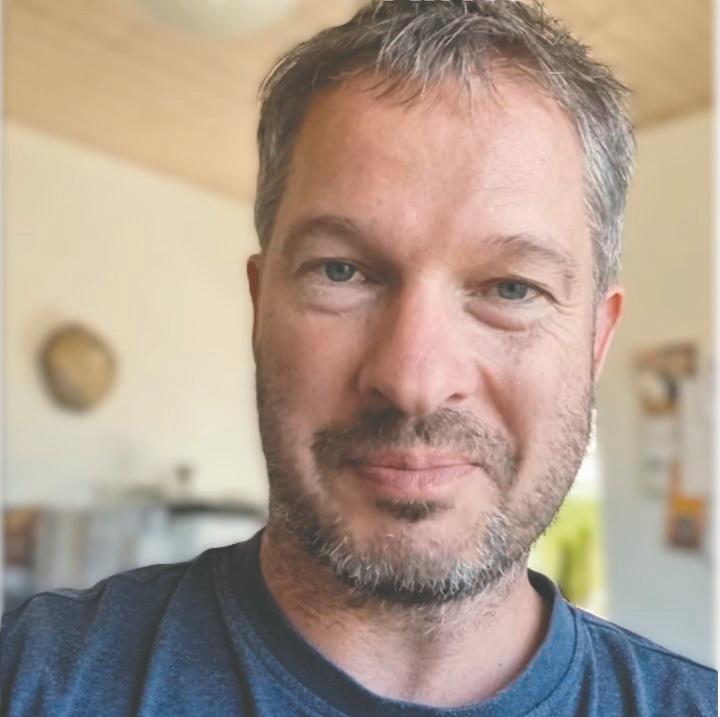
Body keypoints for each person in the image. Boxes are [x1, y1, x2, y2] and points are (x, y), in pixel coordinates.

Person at [2, 1, 717, 715]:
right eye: (341, 272)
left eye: (511, 288)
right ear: (260, 307)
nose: (414, 381)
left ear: (595, 342)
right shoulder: (30, 677)